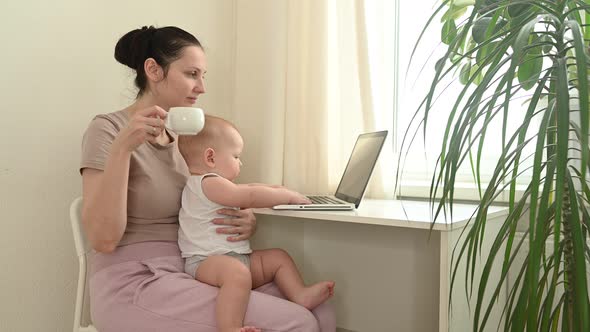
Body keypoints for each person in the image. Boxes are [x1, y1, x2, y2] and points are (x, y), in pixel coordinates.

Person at [80, 25, 336, 332]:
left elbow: (202, 201)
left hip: (194, 268)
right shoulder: (108, 130)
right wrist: (123, 149)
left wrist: (243, 217)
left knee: (321, 314)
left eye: (203, 76)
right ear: (153, 70)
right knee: (298, 322)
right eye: (191, 74)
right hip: (135, 280)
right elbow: (103, 239)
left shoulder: (186, 139)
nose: (201, 87)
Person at [177, 116, 336, 332]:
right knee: (237, 274)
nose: (240, 162)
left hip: (236, 258)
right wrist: (286, 197)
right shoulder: (206, 183)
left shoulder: (218, 184)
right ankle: (230, 327)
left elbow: (251, 186)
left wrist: (278, 189)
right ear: (211, 157)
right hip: (206, 262)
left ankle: (300, 294)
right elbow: (249, 195)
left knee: (278, 257)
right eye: (236, 156)